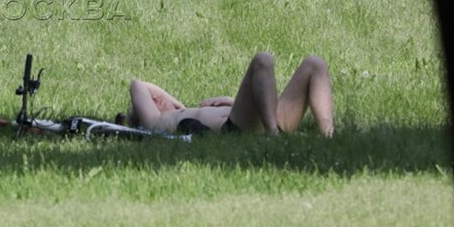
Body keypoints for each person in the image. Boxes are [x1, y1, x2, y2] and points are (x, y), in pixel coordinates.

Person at [127, 53, 335, 136]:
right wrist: (177, 104)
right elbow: (138, 85)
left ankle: (328, 135)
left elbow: (260, 104)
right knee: (262, 61)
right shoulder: (157, 121)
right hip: (239, 128)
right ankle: (273, 135)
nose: (157, 97)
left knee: (314, 64)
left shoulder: (191, 111)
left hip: (262, 120)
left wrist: (230, 101)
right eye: (154, 100)